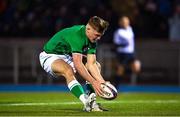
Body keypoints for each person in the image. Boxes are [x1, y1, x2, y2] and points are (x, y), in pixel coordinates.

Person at [39, 16, 109, 112]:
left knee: (97, 65)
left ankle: (91, 102)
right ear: (88, 28)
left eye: (100, 35)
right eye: (97, 35)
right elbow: (78, 64)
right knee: (68, 70)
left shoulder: (92, 39)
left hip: (67, 56)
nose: (99, 38)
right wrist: (94, 82)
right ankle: (86, 102)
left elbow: (91, 64)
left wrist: (102, 82)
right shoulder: (77, 35)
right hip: (50, 55)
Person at [113, 16, 141, 88]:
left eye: (127, 21)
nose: (126, 23)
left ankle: (126, 72)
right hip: (122, 53)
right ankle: (116, 86)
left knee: (136, 67)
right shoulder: (118, 32)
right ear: (121, 23)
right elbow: (115, 44)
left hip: (131, 53)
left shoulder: (130, 29)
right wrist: (123, 45)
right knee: (120, 70)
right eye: (124, 22)